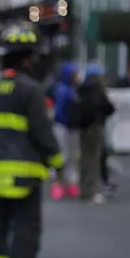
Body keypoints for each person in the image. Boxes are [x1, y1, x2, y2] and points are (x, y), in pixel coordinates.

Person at [0, 25, 65, 258]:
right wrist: (58, 163)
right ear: (28, 58)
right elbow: (42, 133)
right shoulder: (31, 90)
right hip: (25, 173)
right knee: (27, 224)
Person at [76, 62, 115, 204]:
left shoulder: (81, 88)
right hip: (94, 125)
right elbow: (108, 107)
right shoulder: (97, 89)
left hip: (82, 126)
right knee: (94, 159)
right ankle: (90, 191)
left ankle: (83, 188)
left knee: (84, 158)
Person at [50, 61, 81, 200]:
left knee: (73, 156)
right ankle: (58, 184)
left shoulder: (72, 89)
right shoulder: (62, 89)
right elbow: (60, 110)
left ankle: (70, 183)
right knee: (63, 155)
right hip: (63, 125)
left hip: (72, 126)